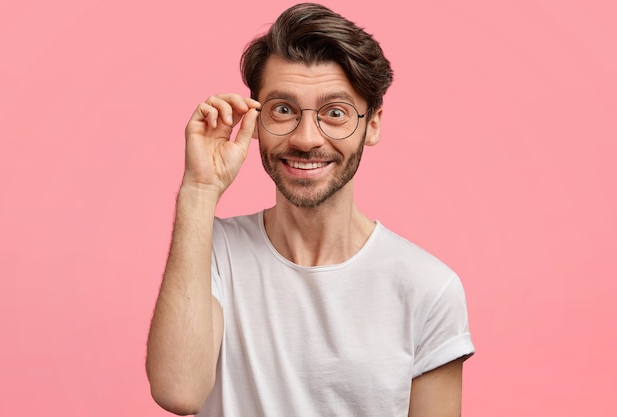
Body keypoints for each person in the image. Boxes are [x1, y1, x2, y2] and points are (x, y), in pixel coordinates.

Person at [146, 3, 474, 416]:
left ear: (372, 124)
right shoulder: (212, 252)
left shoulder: (428, 288)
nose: (305, 138)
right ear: (255, 120)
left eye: (334, 113)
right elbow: (178, 391)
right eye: (282, 109)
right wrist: (199, 188)